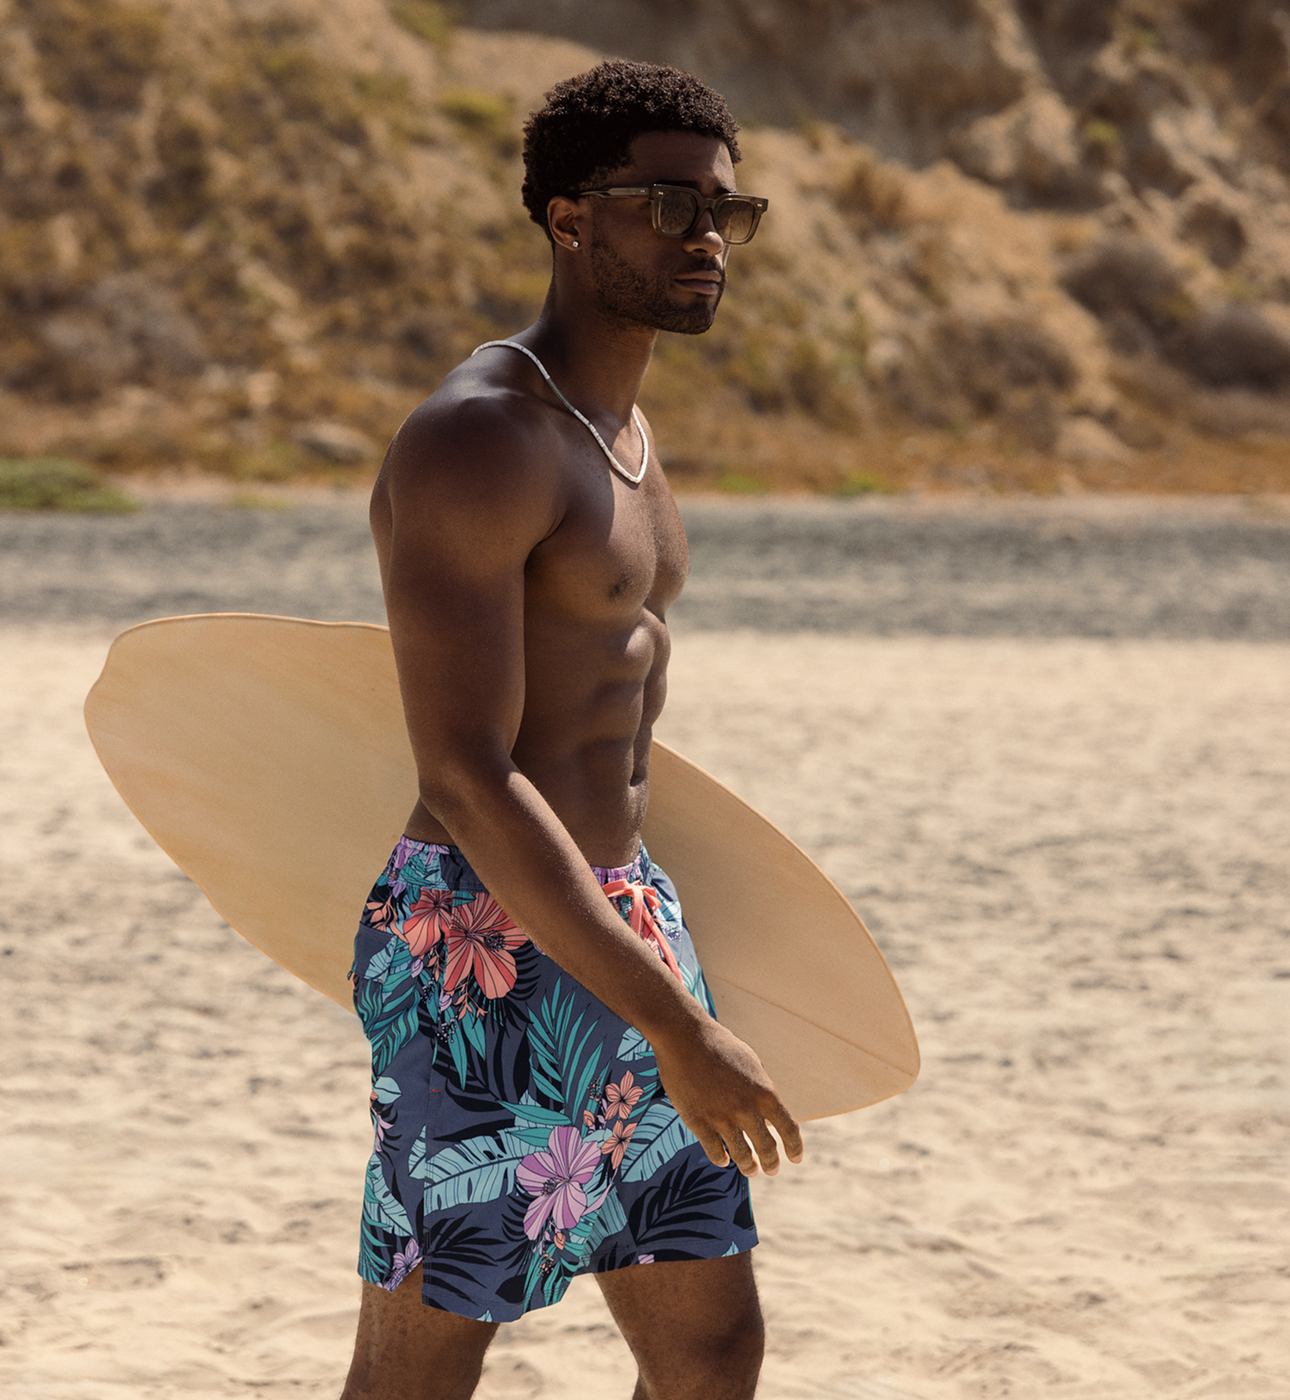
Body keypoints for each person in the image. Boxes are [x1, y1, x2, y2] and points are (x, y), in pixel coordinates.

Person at [342, 60, 801, 1400]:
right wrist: (680, 1026)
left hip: (622, 912)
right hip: (481, 941)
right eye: (663, 204)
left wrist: (661, 968)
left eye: (724, 209)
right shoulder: (481, 440)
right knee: (430, 1351)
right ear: (566, 219)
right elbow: (466, 774)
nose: (703, 234)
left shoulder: (626, 432)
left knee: (709, 1346)